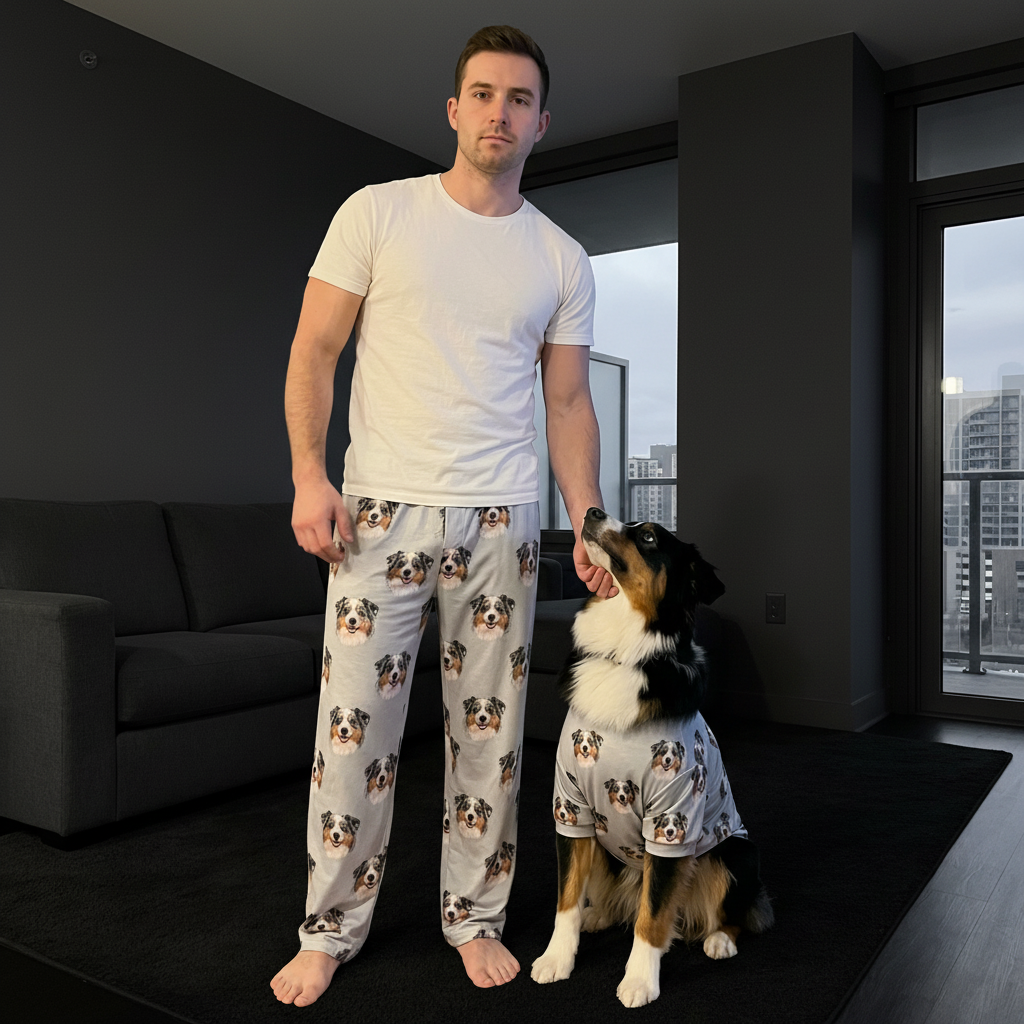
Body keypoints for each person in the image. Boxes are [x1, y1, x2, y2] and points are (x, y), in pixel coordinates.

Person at [270, 24, 617, 1008]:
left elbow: (566, 403)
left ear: (540, 123)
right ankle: (329, 930)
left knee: (490, 743)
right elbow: (314, 350)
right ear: (455, 109)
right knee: (352, 737)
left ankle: (474, 919)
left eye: (519, 99)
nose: (499, 113)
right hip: (376, 513)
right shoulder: (377, 213)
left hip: (501, 522)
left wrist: (588, 518)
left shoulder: (561, 258)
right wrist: (308, 474)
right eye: (484, 94)